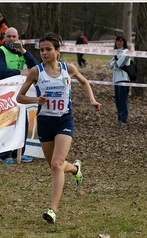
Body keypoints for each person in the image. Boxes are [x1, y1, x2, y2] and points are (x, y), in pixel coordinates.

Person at [16, 32, 102, 224]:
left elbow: (84, 81)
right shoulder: (36, 72)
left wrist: (92, 100)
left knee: (56, 164)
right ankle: (75, 168)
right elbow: (19, 98)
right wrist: (35, 100)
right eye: (42, 50)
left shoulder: (68, 68)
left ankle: (52, 210)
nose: (44, 53)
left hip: (64, 121)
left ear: (57, 50)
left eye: (48, 49)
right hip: (45, 122)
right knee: (56, 167)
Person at [0, 27, 38, 165]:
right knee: (7, 123)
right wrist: (21, 72)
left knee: (22, 123)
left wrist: (24, 51)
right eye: (9, 36)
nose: (12, 39)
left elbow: (35, 66)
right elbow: (2, 72)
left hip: (20, 93)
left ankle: (19, 153)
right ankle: (4, 155)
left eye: (14, 36)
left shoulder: (21, 52)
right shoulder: (0, 52)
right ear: (5, 38)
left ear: (18, 37)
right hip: (5, 93)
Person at [109, 36, 131, 124]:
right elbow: (110, 64)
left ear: (124, 42)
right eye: (117, 41)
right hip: (116, 79)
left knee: (123, 99)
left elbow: (119, 65)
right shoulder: (116, 52)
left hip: (124, 78)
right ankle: (119, 117)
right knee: (118, 99)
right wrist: (115, 63)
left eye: (121, 41)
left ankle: (124, 118)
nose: (119, 42)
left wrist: (115, 63)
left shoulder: (126, 52)